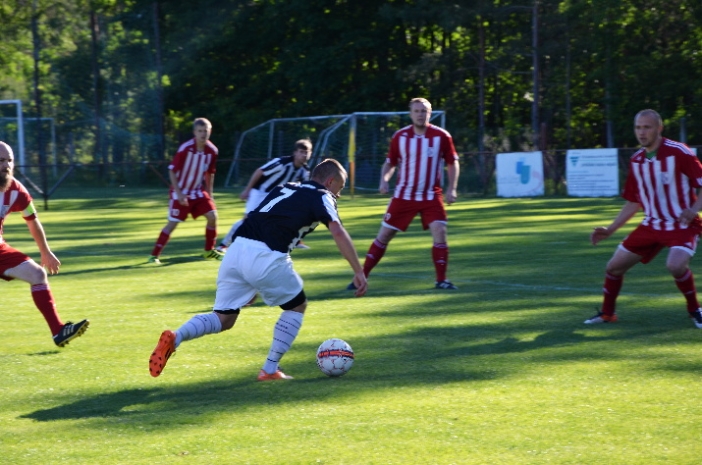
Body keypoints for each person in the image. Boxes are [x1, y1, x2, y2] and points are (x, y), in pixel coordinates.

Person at [149, 158, 367, 380]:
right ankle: (270, 369)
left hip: (236, 251)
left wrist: (251, 281)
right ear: (330, 182)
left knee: (224, 319)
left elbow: (257, 217)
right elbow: (337, 231)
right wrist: (359, 271)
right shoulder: (322, 195)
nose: (338, 195)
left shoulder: (286, 187)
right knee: (296, 306)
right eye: (339, 189)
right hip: (267, 256)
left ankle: (176, 337)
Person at [586, 109, 702, 328]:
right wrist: (610, 229)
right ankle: (607, 314)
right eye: (638, 127)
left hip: (682, 224)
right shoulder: (637, 160)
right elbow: (633, 201)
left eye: (647, 127)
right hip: (652, 225)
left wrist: (694, 208)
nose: (641, 132)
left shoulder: (679, 152)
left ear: (659, 129)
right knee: (613, 267)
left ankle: (695, 310)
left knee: (675, 265)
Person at [348, 97, 460, 290]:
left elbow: (452, 162)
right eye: (416, 111)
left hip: (431, 196)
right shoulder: (400, 137)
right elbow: (390, 162)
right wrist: (384, 179)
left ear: (429, 113)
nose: (420, 114)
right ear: (410, 114)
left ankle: (441, 280)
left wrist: (452, 188)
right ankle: (361, 277)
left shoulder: (441, 136)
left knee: (440, 232)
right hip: (403, 196)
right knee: (384, 236)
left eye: (423, 111)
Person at [0, 141, 89, 347]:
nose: (6, 165)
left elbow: (32, 220)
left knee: (38, 274)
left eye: (10, 161)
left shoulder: (16, 190)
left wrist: (45, 251)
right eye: (1, 160)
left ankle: (58, 331)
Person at [216, 138, 312, 252]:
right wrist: (247, 190)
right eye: (301, 152)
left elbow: (302, 188)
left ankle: (294, 241)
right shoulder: (281, 163)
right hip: (260, 192)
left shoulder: (305, 171)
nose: (304, 155)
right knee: (247, 221)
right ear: (295, 152)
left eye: (307, 152)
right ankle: (223, 245)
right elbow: (260, 171)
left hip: (276, 198)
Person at [148, 117, 223, 264]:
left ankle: (209, 251)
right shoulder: (185, 149)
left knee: (213, 216)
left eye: (206, 131)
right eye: (200, 131)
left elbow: (210, 173)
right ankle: (154, 256)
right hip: (180, 191)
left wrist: (210, 194)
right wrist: (180, 193)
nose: (203, 134)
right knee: (173, 223)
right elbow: (172, 171)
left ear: (210, 132)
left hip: (198, 191)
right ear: (194, 132)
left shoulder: (212, 151)